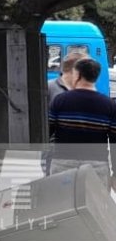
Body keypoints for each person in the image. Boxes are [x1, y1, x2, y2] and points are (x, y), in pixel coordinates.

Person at [47, 57, 116, 185]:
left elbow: (47, 133)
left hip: (63, 163)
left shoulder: (60, 100)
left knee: (62, 204)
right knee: (95, 204)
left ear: (77, 75)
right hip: (96, 166)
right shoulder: (109, 105)